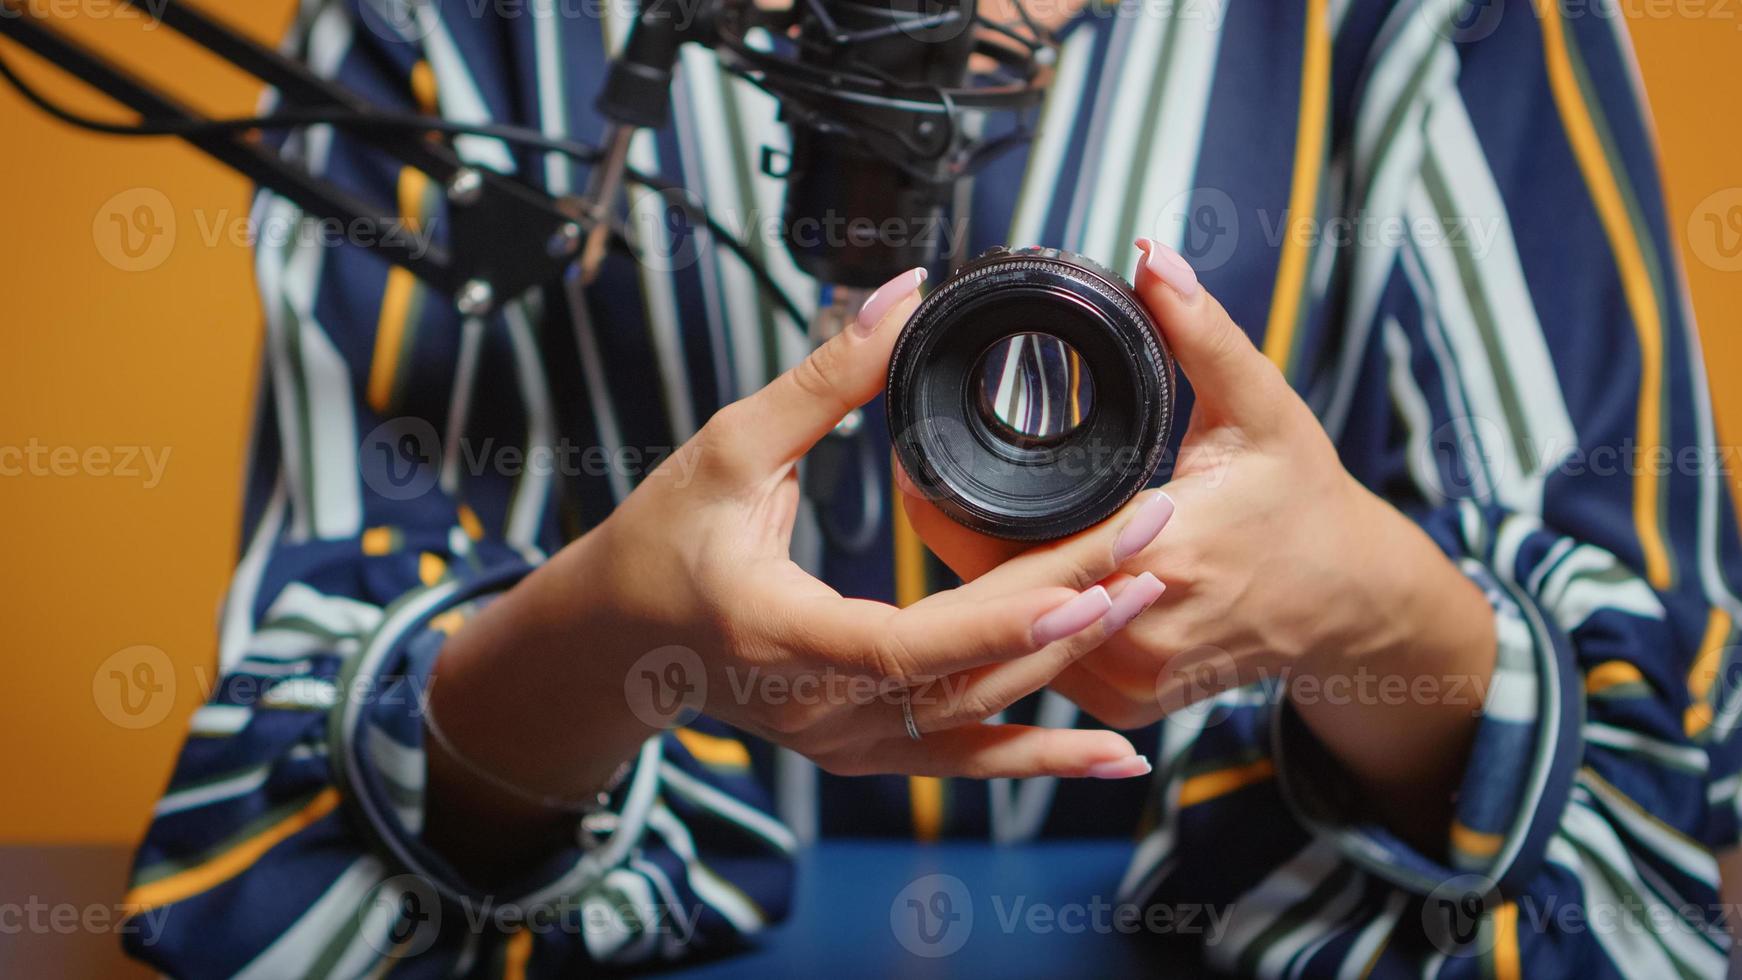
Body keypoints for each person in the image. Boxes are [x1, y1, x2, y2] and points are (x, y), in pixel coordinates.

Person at [120, 0, 1742, 975]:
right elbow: (291, 886)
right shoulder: (462, 22)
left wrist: (1368, 614)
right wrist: (602, 644)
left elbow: (1650, 835)